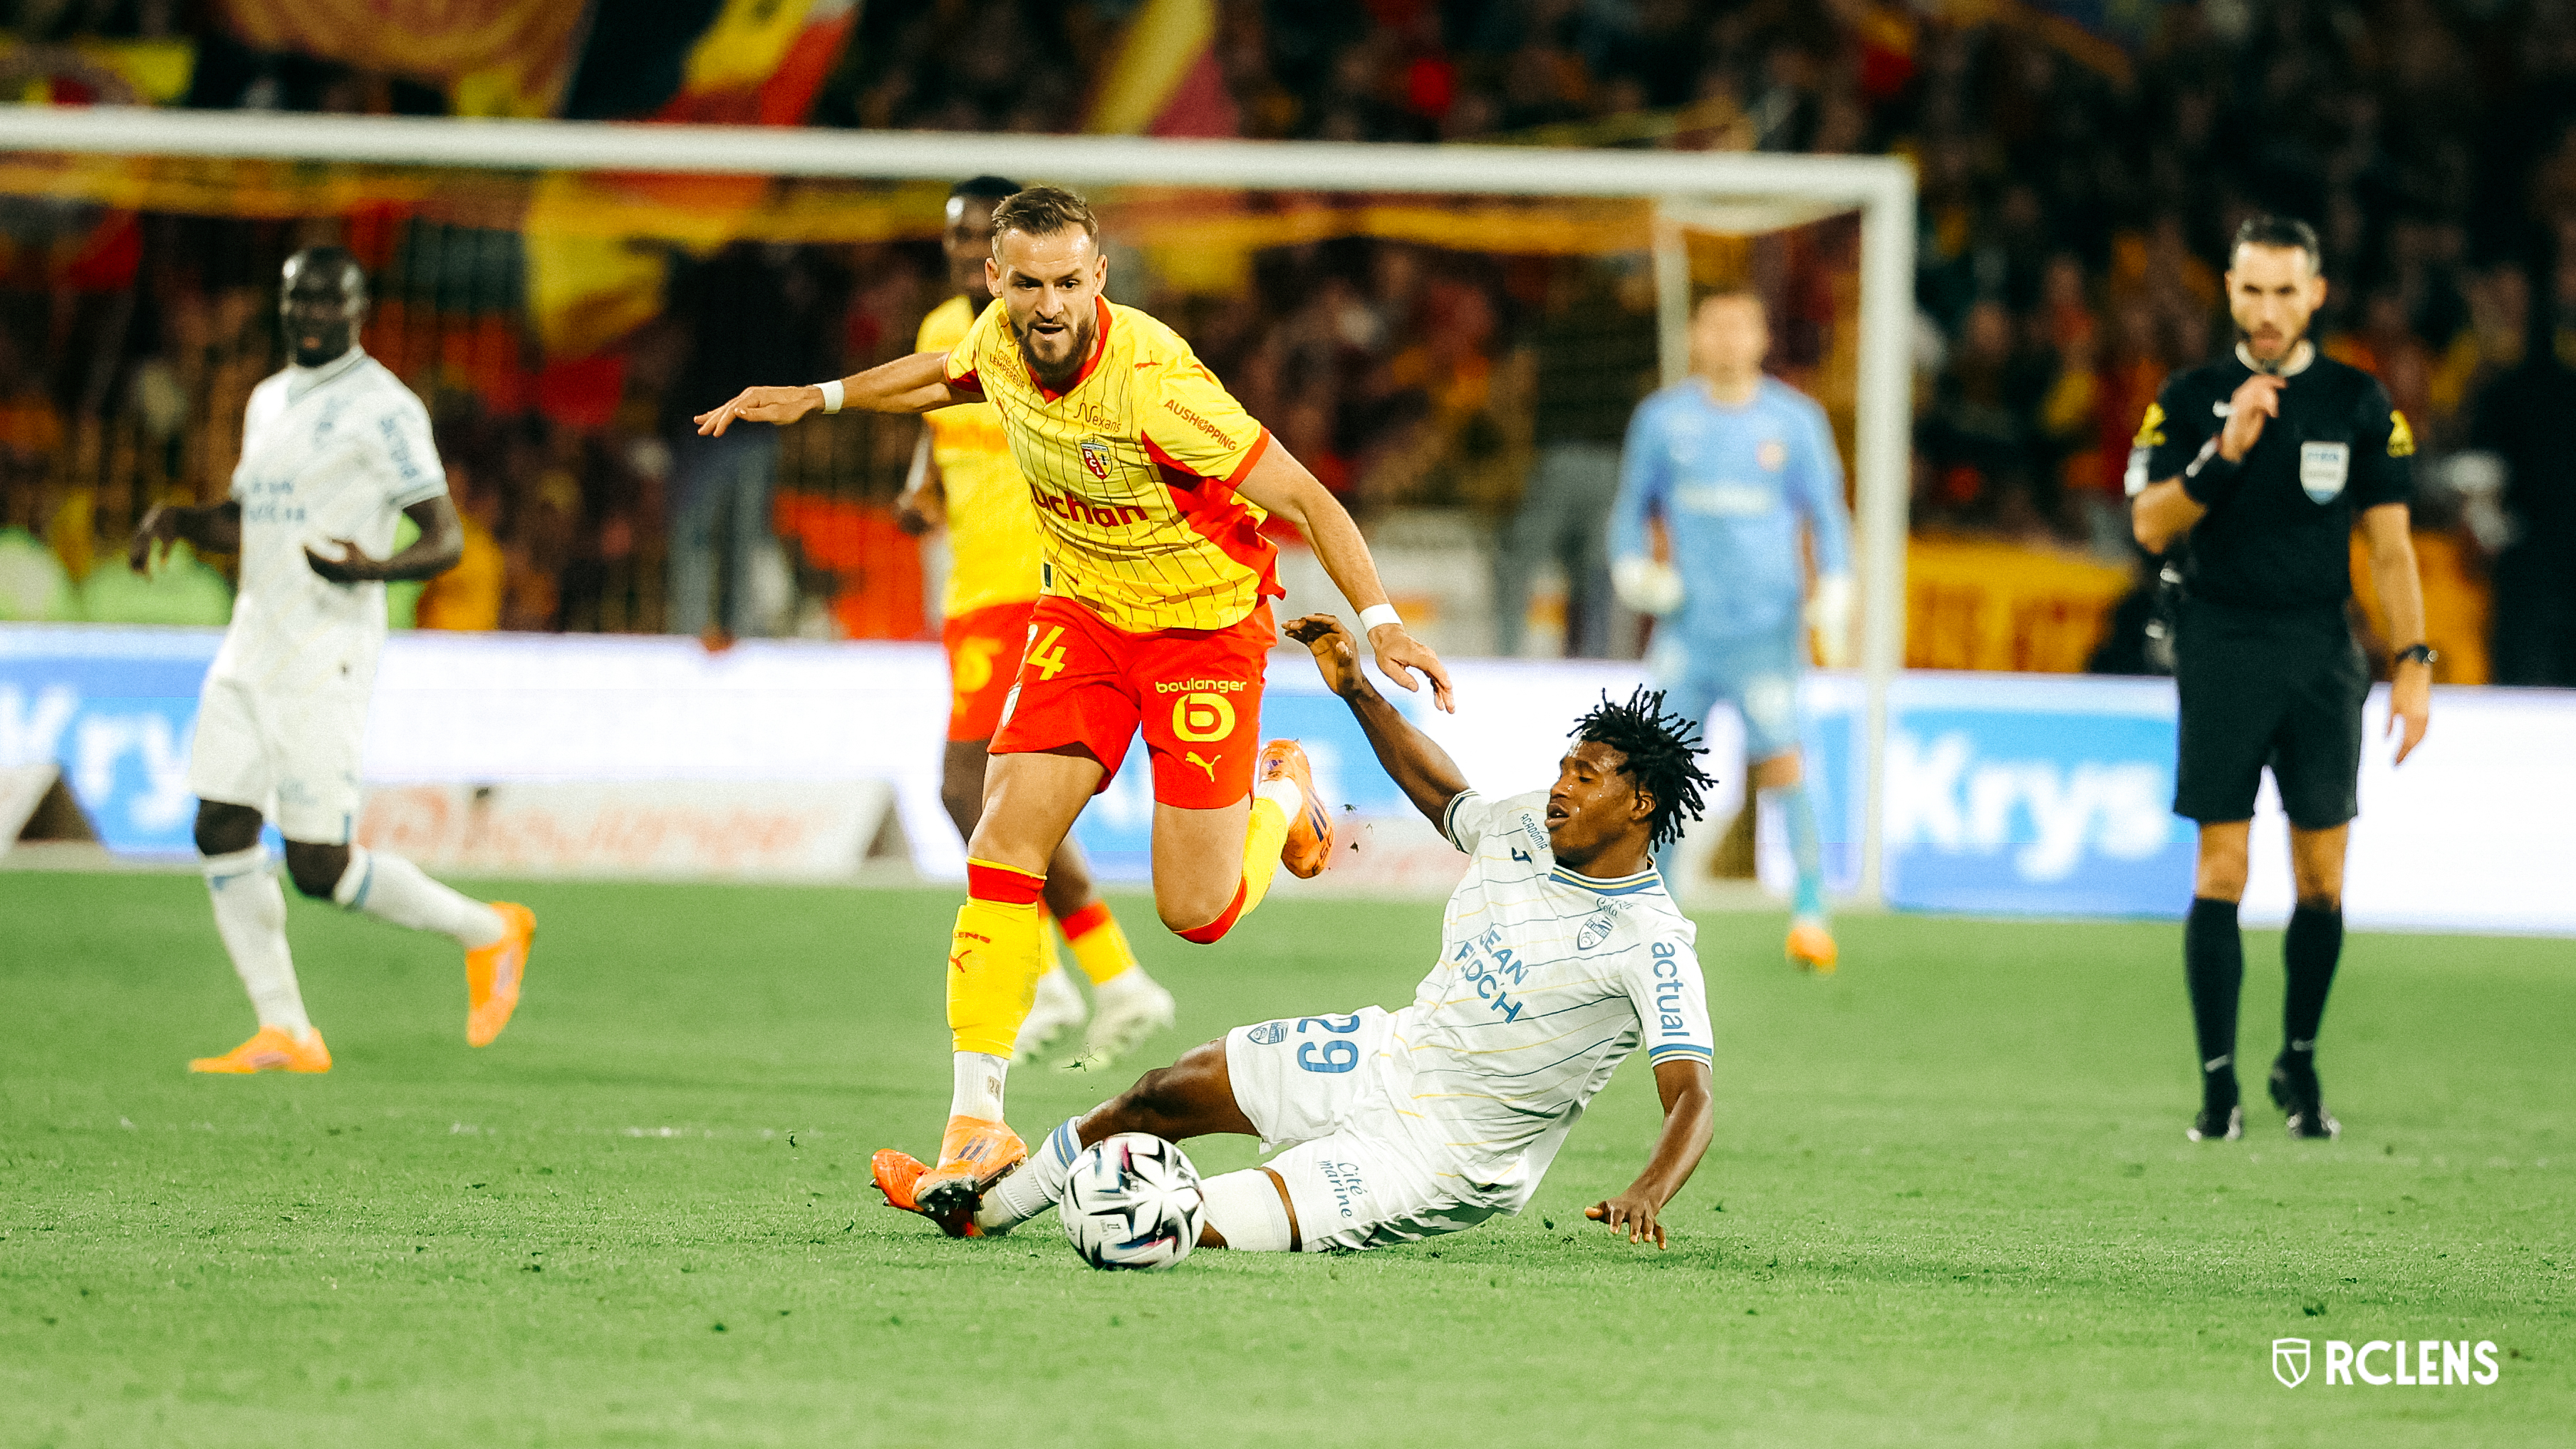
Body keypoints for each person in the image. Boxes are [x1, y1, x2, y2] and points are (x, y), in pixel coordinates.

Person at [693, 186, 1453, 1223]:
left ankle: (1283, 794)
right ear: (995, 280)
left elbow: (1307, 498)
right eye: (1026, 284)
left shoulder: (1158, 385)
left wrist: (1382, 621)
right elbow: (941, 375)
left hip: (1200, 631)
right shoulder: (998, 339)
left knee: (1198, 913)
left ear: (1098, 277)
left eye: (1066, 283)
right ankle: (976, 1123)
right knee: (1002, 834)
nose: (1047, 306)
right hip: (1087, 615)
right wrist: (818, 397)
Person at [874, 614, 1717, 1252]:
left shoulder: (1651, 941)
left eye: (1585, 777)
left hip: (1442, 1155)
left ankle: (1128, 1221)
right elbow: (1445, 798)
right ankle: (985, 1207)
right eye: (1564, 767)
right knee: (1165, 1091)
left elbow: (1691, 1095)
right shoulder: (1528, 824)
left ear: (1639, 804)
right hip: (1389, 1055)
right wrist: (1356, 690)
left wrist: (1647, 1190)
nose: (1560, 786)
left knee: (1172, 1220)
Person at [126, 246, 536, 1074]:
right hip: (252, 643)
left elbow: (446, 538)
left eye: (327, 303)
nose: (311, 316)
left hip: (328, 656)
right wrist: (180, 518)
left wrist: (370, 569)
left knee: (318, 867)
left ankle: (490, 930)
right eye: (298, 301)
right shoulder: (267, 399)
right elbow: (249, 519)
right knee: (219, 824)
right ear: (282, 307)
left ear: (357, 312)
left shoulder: (385, 408)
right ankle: (286, 1030)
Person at [2129, 215, 2431, 1143]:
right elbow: (2148, 522)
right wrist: (2223, 452)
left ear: (2316, 295)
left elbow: (2390, 550)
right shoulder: (2187, 399)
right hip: (2221, 645)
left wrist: (2413, 663)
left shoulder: (2358, 401)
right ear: (2229, 291)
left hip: (2319, 652)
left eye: (2285, 292)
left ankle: (2297, 1059)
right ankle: (2218, 1086)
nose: (2267, 310)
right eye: (2252, 291)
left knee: (2322, 877)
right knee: (2222, 866)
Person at [895, 176, 1174, 1069]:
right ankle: (1106, 979)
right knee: (994, 798)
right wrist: (921, 485)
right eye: (953, 236)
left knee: (967, 789)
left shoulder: (1059, 339)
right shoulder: (947, 332)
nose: (960, 250)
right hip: (971, 587)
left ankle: (1058, 975)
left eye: (976, 234)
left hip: (1036, 587)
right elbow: (939, 413)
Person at [1607, 289, 1852, 972]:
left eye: (1739, 326)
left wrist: (1836, 585)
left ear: (1762, 338)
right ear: (1694, 336)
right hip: (1688, 629)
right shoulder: (1663, 420)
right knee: (1660, 771)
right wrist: (1633, 567)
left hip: (1766, 631)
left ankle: (1810, 911)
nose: (1725, 339)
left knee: (1784, 765)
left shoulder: (1794, 421)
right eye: (1713, 326)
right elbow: (1630, 508)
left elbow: (1827, 513)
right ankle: (1658, 912)